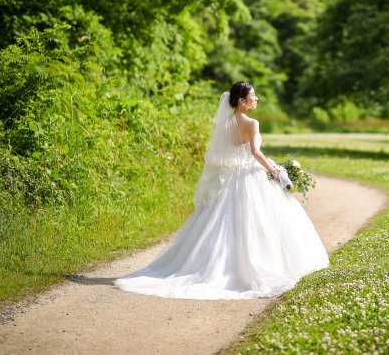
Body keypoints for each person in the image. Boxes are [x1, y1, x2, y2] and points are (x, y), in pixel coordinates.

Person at [114, 82, 329, 299]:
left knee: (221, 222)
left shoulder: (225, 123)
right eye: (253, 95)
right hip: (249, 176)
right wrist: (274, 170)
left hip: (230, 178)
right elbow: (255, 152)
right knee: (257, 223)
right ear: (241, 101)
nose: (256, 99)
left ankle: (210, 265)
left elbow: (225, 153)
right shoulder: (252, 123)